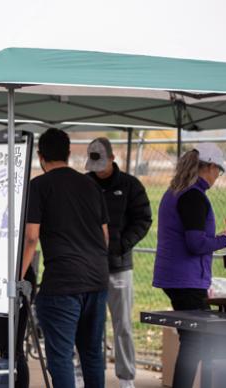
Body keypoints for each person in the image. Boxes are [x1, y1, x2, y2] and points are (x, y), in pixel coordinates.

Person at [22, 128, 110, 388]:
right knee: (92, 353)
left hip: (63, 283)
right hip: (97, 279)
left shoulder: (38, 186)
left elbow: (31, 237)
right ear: (69, 153)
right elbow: (105, 235)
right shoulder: (91, 185)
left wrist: (17, 278)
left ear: (40, 156)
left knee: (60, 356)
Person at [153, 143, 226, 388]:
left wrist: (216, 239)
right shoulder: (194, 195)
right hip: (185, 278)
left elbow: (192, 235)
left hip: (176, 276)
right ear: (210, 167)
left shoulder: (177, 191)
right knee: (195, 342)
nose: (218, 177)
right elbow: (194, 242)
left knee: (195, 340)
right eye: (218, 171)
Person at [85, 138, 152, 388]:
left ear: (113, 158)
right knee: (90, 325)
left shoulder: (131, 185)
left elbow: (144, 219)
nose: (98, 170)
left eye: (103, 163)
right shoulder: (85, 183)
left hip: (120, 267)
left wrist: (122, 244)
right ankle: (87, 373)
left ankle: (126, 377)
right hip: (90, 268)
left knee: (122, 325)